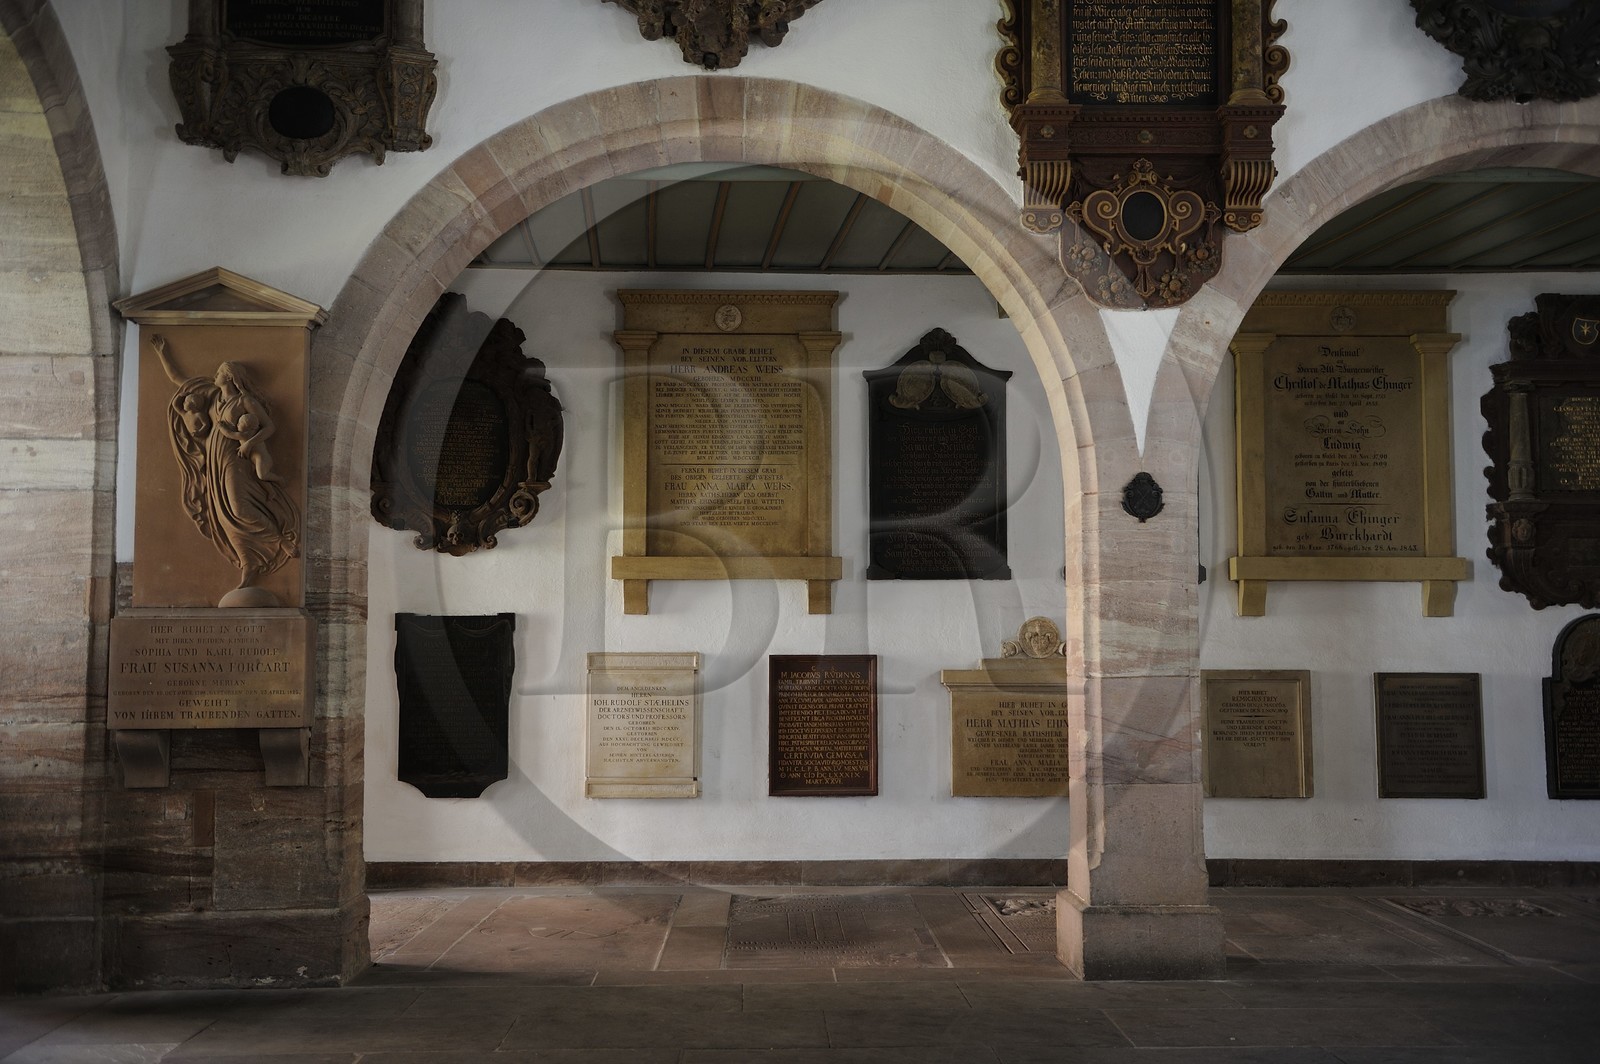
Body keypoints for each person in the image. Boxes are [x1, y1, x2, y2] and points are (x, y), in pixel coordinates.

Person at [153, 334, 299, 599]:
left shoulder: (246, 402)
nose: (216, 374)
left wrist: (248, 443)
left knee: (240, 508)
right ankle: (248, 564)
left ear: (230, 377)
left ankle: (280, 539)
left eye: (220, 372)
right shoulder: (211, 397)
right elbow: (179, 381)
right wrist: (163, 354)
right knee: (223, 516)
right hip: (214, 462)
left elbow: (270, 427)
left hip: (235, 460)